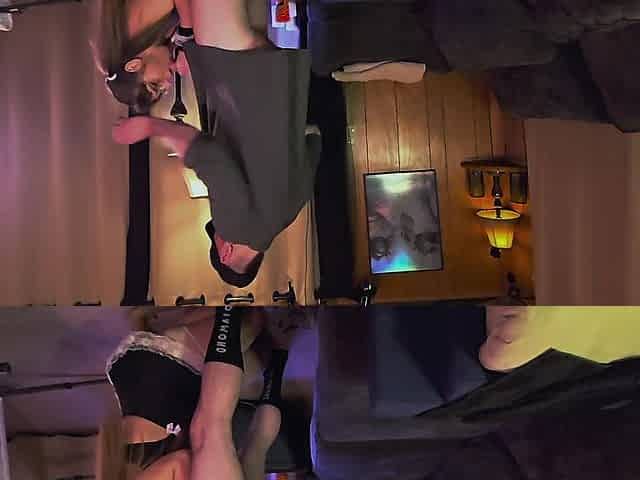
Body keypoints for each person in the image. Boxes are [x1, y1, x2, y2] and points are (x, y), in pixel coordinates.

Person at [104, 0, 322, 288]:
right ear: (226, 252)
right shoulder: (237, 229)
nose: (218, 230)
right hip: (233, 69)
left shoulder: (289, 211)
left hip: (271, 68)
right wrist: (150, 126)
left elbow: (313, 137)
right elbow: (211, 158)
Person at [98, 307, 308, 480]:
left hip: (154, 373)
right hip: (160, 404)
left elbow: (182, 461)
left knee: (252, 321)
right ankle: (278, 350)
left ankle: (229, 301)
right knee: (247, 447)